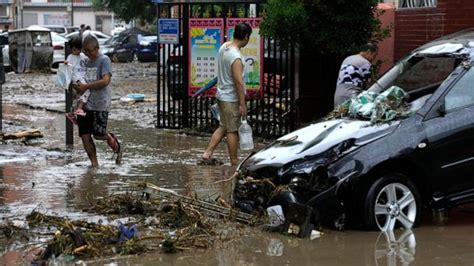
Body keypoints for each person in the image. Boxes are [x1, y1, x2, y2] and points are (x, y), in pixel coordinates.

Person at [201, 23, 252, 166]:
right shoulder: (236, 57)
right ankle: (234, 162)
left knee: (224, 126)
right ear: (246, 37)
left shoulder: (225, 47)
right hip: (230, 98)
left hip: (222, 95)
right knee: (232, 130)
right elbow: (238, 82)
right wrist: (242, 104)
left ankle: (207, 153)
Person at [75, 35, 122, 167]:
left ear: (97, 48)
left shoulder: (104, 60)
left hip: (100, 104)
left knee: (98, 134)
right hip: (84, 104)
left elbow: (105, 81)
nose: (88, 53)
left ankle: (110, 138)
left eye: (90, 50)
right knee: (85, 135)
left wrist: (86, 87)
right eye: (86, 51)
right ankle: (94, 164)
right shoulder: (84, 61)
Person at [333, 43, 378, 107]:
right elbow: (369, 85)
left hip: (338, 96)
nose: (373, 58)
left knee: (339, 116)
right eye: (374, 55)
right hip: (351, 96)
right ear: (368, 52)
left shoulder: (347, 59)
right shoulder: (365, 63)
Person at [65, 37, 89, 124]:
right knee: (86, 90)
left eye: (79, 49)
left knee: (84, 92)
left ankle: (73, 112)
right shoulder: (70, 58)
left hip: (83, 78)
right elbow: (68, 72)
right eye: (75, 49)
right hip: (76, 79)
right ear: (72, 49)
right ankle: (79, 108)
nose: (77, 51)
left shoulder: (82, 56)